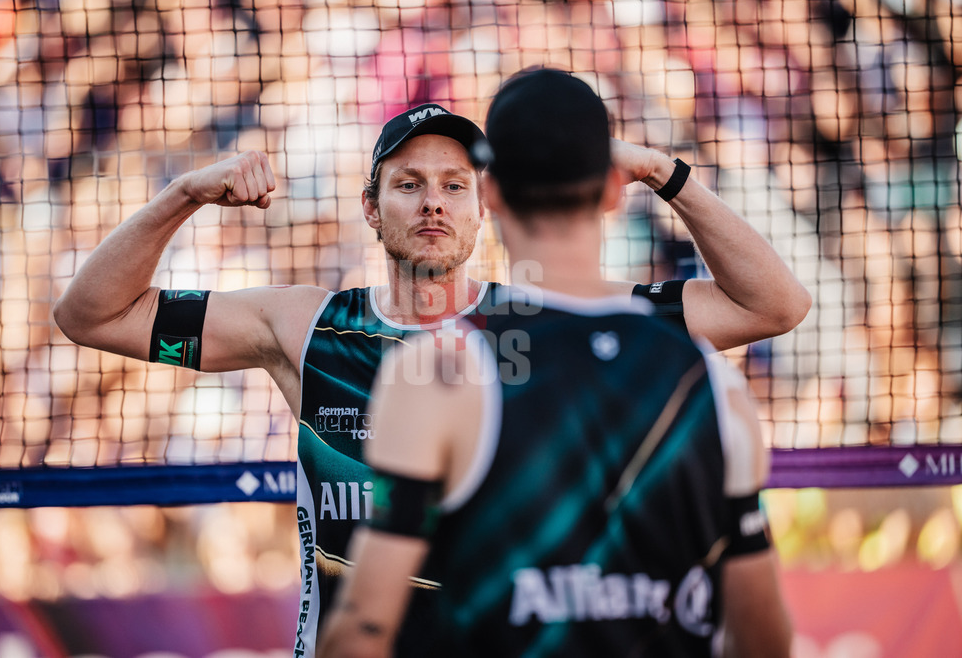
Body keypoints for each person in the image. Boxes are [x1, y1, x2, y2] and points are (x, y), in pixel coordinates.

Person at [53, 97, 808, 654]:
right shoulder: (305, 326)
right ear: (372, 210)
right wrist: (184, 195)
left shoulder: (550, 321)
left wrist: (666, 175)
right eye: (409, 184)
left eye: (454, 185)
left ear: (485, 209)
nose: (434, 203)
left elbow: (772, 304)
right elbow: (92, 315)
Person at [316, 68, 794, 658]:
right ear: (616, 191)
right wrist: (662, 171)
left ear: (490, 196)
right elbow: (765, 641)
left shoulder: (437, 373)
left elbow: (362, 631)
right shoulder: (714, 387)